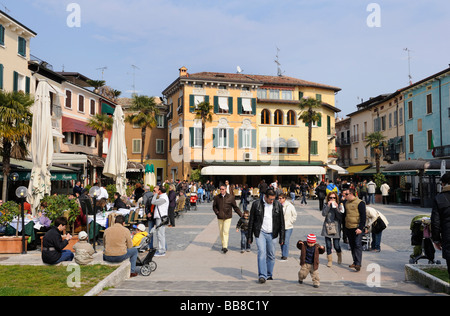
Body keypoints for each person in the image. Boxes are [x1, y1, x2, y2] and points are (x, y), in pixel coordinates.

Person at [248, 189, 285, 284]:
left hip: (273, 233)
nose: (272, 201)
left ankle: (269, 274)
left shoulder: (278, 205)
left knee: (271, 255)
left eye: (273, 199)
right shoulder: (256, 204)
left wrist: (282, 238)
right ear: (265, 196)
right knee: (261, 252)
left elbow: (282, 222)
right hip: (260, 232)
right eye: (270, 199)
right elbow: (251, 220)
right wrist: (249, 236)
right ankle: (262, 275)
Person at [212, 184, 243, 254]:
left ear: (226, 189)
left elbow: (235, 207)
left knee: (225, 232)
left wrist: (241, 214)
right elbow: (214, 206)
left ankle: (224, 247)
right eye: (220, 189)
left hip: (228, 217)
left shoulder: (230, 197)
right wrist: (217, 212)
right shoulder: (217, 197)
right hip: (220, 217)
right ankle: (223, 244)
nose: (221, 190)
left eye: (223, 189)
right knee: (221, 232)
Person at [342, 187, 366, 272]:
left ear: (351, 194)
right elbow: (344, 215)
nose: (345, 195)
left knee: (357, 244)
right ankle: (355, 262)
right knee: (352, 245)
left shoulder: (360, 203)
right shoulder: (345, 203)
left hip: (357, 228)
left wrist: (360, 228)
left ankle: (358, 263)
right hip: (348, 227)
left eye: (346, 194)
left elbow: (363, 217)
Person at [431, 172, 450, 278]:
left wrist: (436, 240)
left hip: (448, 236)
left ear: (443, 184)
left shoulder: (439, 198)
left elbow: (435, 222)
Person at [321, 191, 343, 267]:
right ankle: (329, 260)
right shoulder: (325, 204)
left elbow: (340, 217)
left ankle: (339, 255)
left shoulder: (339, 205)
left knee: (336, 245)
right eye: (330, 198)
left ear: (336, 198)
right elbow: (324, 214)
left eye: (334, 198)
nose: (332, 199)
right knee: (328, 245)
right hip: (327, 226)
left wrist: (337, 208)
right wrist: (328, 206)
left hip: (336, 227)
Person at [151, 185, 169, 256]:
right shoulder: (163, 197)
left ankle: (161, 251)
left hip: (161, 218)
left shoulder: (163, 198)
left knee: (160, 234)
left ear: (160, 191)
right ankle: (162, 249)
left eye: (157, 190)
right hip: (160, 217)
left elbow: (153, 202)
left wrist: (155, 194)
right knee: (160, 234)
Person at [279, 193, 297, 261]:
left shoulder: (290, 206)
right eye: (279, 198)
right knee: (281, 241)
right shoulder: (277, 205)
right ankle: (283, 253)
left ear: (284, 199)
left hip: (288, 226)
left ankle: (285, 255)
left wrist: (291, 221)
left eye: (281, 198)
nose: (279, 200)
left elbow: (294, 215)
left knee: (286, 241)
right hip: (280, 227)